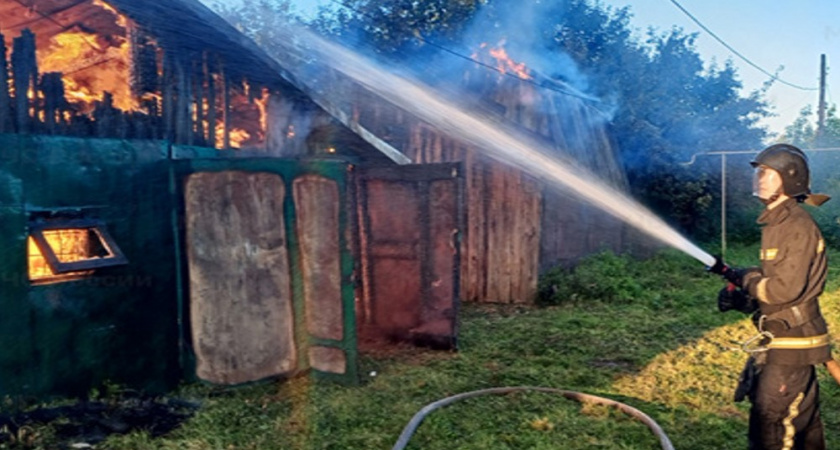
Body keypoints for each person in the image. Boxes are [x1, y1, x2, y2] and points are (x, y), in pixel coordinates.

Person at [709, 143, 833, 450]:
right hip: (782, 339)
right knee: (801, 429)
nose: (760, 179)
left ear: (790, 180)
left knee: (773, 423)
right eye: (759, 173)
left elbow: (783, 290)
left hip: (792, 344)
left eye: (769, 173)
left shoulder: (796, 226)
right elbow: (779, 285)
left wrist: (749, 279)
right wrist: (743, 295)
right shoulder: (778, 223)